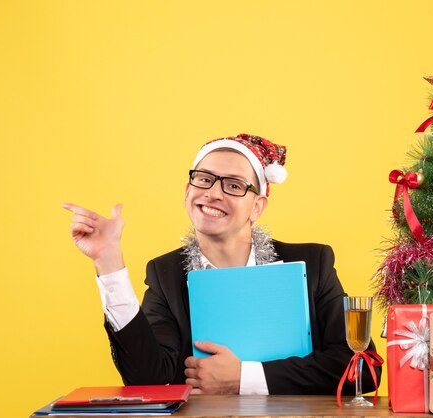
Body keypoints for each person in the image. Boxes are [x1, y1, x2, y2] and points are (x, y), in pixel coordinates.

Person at [63, 133, 381, 395]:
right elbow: (149, 380)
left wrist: (245, 377)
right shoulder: (166, 274)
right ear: (188, 191)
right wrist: (109, 262)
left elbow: (363, 369)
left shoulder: (312, 263)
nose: (213, 193)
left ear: (257, 206)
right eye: (204, 179)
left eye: (233, 185)